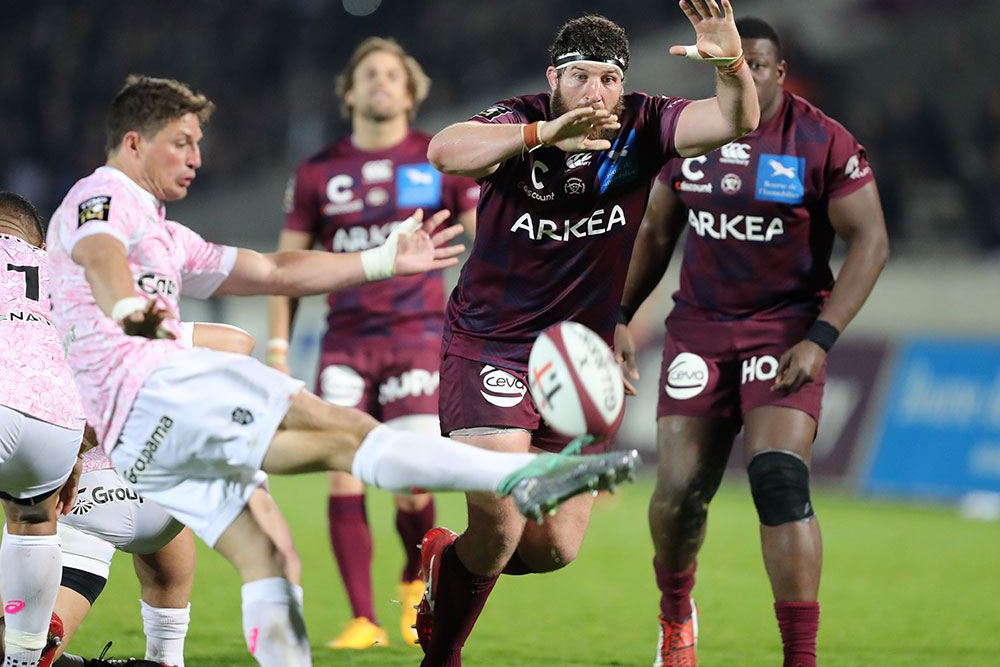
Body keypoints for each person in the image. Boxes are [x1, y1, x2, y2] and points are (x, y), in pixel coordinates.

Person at [44, 74, 638, 667]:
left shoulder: (164, 232)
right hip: (160, 393)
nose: (197, 158)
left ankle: (41, 652)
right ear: (132, 142)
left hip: (141, 438)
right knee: (346, 435)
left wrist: (382, 259)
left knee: (273, 558)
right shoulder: (105, 194)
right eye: (182, 142)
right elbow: (100, 253)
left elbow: (274, 271)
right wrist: (126, 306)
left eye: (199, 143)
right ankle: (521, 476)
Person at [418, 0, 759, 667]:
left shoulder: (645, 124)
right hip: (493, 343)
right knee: (506, 512)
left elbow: (736, 120)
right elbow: (444, 149)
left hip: (579, 361)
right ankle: (443, 653)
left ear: (623, 83)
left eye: (608, 77)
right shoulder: (519, 120)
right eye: (580, 74)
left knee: (552, 549)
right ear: (554, 80)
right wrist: (544, 135)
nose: (595, 90)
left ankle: (449, 564)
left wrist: (732, 66)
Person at [615, 17, 889, 667]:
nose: (748, 76)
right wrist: (618, 314)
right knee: (678, 493)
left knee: (778, 478)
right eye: (734, 66)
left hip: (784, 331)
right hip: (698, 333)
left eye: (758, 65)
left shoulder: (822, 139)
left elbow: (871, 242)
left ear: (779, 72)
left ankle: (801, 657)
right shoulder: (691, 134)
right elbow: (655, 235)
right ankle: (676, 611)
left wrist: (821, 338)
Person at [267, 37, 479, 650]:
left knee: (411, 481)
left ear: (410, 93)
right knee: (343, 472)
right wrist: (278, 350)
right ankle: (364, 619)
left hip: (416, 338)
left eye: (392, 74)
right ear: (351, 92)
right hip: (344, 343)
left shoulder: (440, 159)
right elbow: (286, 266)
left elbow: (484, 240)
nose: (381, 82)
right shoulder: (318, 172)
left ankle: (416, 578)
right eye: (369, 74)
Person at [47, 324, 300, 667]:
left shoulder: (26, 343)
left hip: (79, 498)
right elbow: (238, 342)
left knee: (23, 642)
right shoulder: (114, 329)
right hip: (161, 493)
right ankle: (167, 659)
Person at [0, 191, 85, 667]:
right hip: (57, 428)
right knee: (32, 520)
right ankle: (22, 659)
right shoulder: (67, 272)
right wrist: (75, 454)